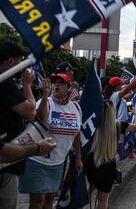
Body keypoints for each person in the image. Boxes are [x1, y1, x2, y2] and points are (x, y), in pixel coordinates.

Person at [19, 73, 83, 209]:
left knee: (49, 199)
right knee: (37, 201)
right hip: (38, 160)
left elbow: (76, 133)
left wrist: (78, 158)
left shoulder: (76, 108)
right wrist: (44, 95)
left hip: (58, 162)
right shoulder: (47, 102)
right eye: (55, 82)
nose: (56, 85)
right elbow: (40, 118)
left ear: (69, 87)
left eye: (61, 82)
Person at [0, 40, 37, 209]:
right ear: (10, 62)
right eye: (19, 60)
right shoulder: (5, 83)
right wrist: (27, 85)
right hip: (6, 158)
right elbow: (30, 111)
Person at [85, 100, 136, 209]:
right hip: (108, 164)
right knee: (103, 201)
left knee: (88, 191)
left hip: (92, 161)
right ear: (113, 111)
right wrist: (134, 113)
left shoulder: (94, 123)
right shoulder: (119, 125)